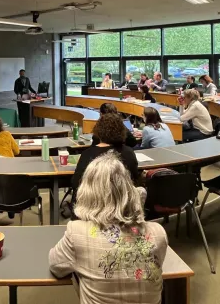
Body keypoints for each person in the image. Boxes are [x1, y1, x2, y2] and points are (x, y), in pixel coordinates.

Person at [49, 152, 168, 304]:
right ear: (129, 189)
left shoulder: (76, 232)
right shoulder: (158, 233)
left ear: (87, 191)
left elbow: (56, 266)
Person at [71, 114, 139, 208]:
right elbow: (134, 180)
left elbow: (76, 183)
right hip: (121, 207)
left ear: (98, 131)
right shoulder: (129, 153)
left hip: (92, 207)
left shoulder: (88, 154)